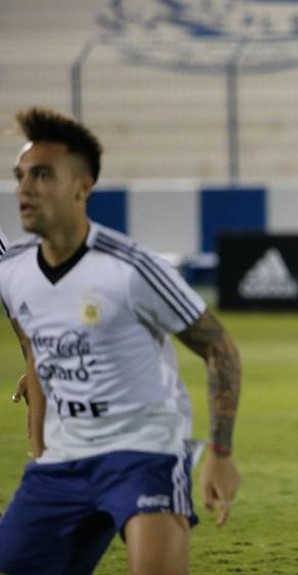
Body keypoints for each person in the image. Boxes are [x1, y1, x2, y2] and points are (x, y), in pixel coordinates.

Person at [0, 107, 242, 575]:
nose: (25, 188)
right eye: (20, 175)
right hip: (63, 459)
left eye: (43, 175)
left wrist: (221, 455)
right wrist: (40, 449)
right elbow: (37, 354)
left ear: (82, 186)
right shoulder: (13, 273)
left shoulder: (132, 267)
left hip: (143, 452)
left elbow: (220, 348)